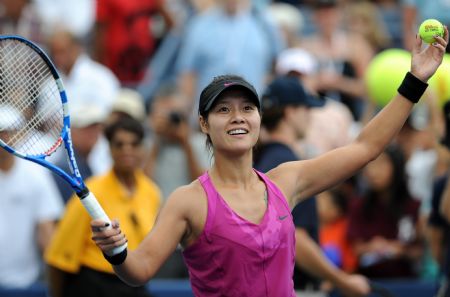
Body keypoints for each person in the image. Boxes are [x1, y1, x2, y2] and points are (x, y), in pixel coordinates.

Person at [90, 30, 448, 296]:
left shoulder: (286, 181)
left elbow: (366, 147)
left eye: (247, 108)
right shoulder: (189, 201)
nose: (238, 117)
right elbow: (140, 270)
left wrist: (415, 80)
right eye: (223, 110)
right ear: (203, 123)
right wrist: (117, 252)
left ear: (260, 118)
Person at [253, 75, 369, 296]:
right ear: (291, 112)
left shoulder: (259, 161)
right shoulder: (288, 165)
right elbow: (299, 240)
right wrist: (342, 280)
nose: (311, 116)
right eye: (307, 109)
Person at [45, 117, 161, 297]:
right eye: (119, 144)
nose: (127, 150)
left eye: (134, 144)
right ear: (109, 148)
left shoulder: (151, 192)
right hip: (93, 285)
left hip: (134, 285)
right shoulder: (92, 192)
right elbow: (58, 257)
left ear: (143, 148)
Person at [0, 107, 63, 289]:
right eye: (0, 133)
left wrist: (57, 284)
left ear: (18, 135)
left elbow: (47, 232)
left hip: (27, 283)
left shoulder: (36, 175)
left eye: (7, 132)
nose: (3, 139)